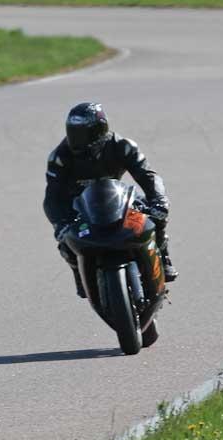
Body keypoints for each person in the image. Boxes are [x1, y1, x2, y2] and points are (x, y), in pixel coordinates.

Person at [43, 102, 178, 298]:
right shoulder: (60, 157)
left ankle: (163, 258)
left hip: (118, 198)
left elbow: (149, 176)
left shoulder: (123, 146)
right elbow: (52, 197)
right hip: (80, 206)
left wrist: (159, 200)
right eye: (73, 132)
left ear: (99, 131)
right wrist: (59, 223)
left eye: (82, 134)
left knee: (153, 216)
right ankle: (79, 273)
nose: (76, 140)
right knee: (66, 242)